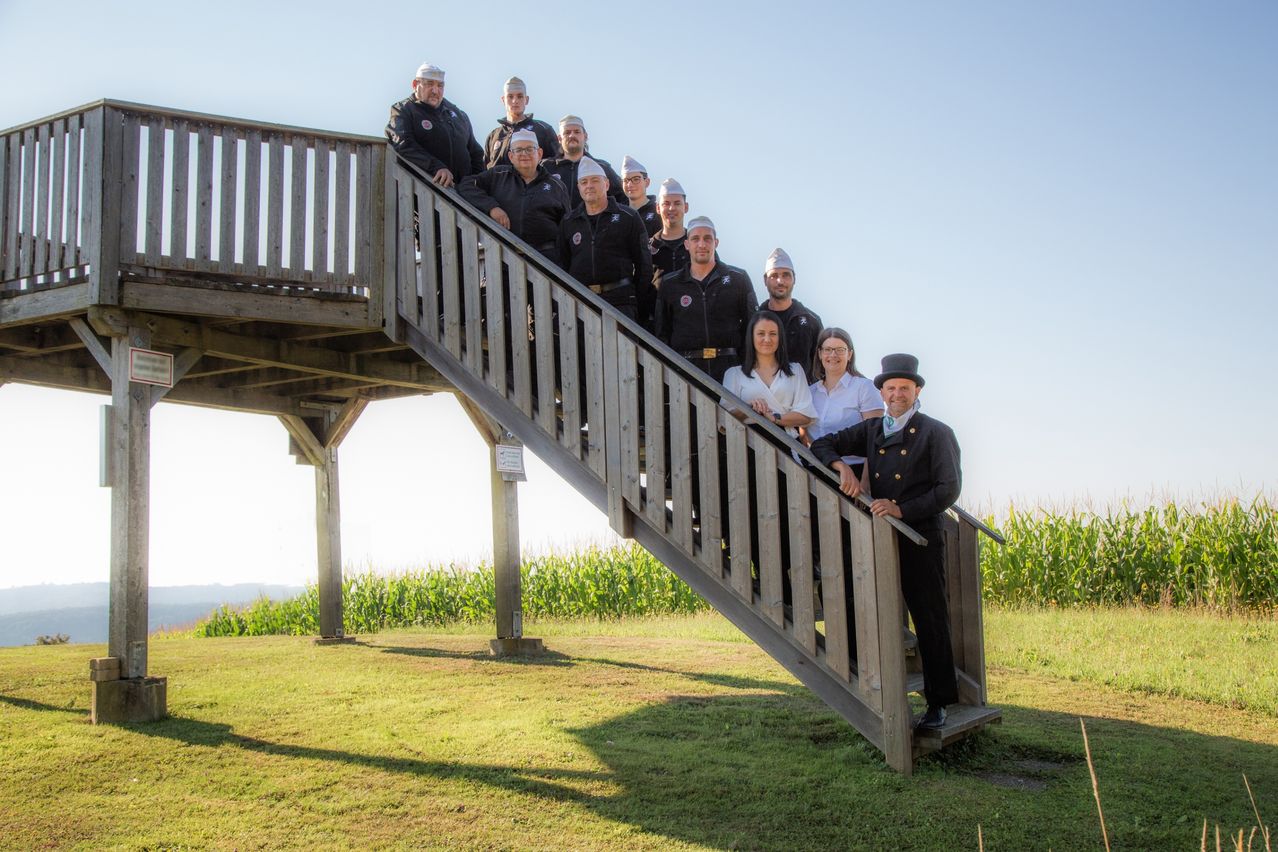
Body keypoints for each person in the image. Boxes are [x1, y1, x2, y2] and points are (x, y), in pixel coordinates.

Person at [809, 353, 961, 731]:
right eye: (890, 388)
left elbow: (949, 489)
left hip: (920, 535)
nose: (897, 394)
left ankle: (939, 701)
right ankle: (874, 687)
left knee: (930, 618)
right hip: (877, 536)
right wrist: (842, 467)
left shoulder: (936, 432)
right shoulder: (874, 429)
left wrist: (901, 508)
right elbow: (822, 444)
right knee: (867, 606)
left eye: (904, 388)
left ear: (917, 391)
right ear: (881, 392)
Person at [654, 216, 758, 383]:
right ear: (687, 245)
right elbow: (662, 333)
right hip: (686, 372)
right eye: (695, 239)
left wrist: (747, 369)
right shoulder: (670, 284)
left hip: (731, 371)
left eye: (707, 239)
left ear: (716, 243)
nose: (701, 244)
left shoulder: (739, 279)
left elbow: (752, 326)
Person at [556, 157, 653, 323]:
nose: (589, 186)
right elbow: (563, 264)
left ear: (606, 184)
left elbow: (644, 265)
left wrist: (634, 300)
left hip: (621, 303)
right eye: (584, 182)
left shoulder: (628, 217)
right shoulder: (569, 222)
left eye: (595, 180)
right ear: (579, 187)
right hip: (581, 302)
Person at [458, 129, 569, 256]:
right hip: (504, 260)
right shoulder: (498, 175)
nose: (524, 154)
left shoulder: (557, 186)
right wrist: (491, 207)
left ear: (539, 153)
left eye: (529, 149)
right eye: (518, 150)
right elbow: (466, 185)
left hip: (546, 261)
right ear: (511, 156)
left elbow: (566, 228)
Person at [385, 62, 484, 187]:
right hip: (424, 191)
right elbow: (404, 143)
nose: (435, 90)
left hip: (463, 195)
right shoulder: (403, 110)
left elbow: (475, 153)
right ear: (415, 85)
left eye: (440, 85)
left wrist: (477, 183)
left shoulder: (458, 114)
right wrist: (436, 167)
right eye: (429, 84)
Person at [804, 328, 884, 480]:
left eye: (840, 350)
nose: (833, 355)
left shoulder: (865, 387)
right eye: (827, 349)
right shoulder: (809, 392)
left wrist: (866, 484)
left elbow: (874, 441)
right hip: (814, 472)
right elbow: (804, 433)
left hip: (854, 473)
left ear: (850, 355)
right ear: (820, 354)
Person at [721, 311, 815, 436]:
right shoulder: (733, 374)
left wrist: (774, 418)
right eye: (761, 333)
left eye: (773, 334)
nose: (767, 339)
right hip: (745, 443)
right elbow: (722, 418)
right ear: (751, 337)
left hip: (785, 442)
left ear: (780, 337)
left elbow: (806, 415)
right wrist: (748, 407)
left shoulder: (795, 370)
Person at [759, 248, 823, 375]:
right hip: (762, 392)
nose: (780, 281)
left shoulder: (811, 321)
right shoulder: (754, 319)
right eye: (774, 276)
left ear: (794, 279)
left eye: (786, 275)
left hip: (803, 392)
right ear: (765, 280)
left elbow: (822, 365)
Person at [542, 115, 625, 209]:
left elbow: (622, 198)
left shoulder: (601, 167)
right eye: (567, 132)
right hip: (554, 222)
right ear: (559, 138)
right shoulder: (546, 167)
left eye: (577, 132)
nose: (572, 135)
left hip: (588, 223)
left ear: (585, 136)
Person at [482, 76, 562, 169]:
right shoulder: (493, 136)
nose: (515, 101)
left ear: (526, 100)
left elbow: (558, 165)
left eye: (520, 96)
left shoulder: (543, 130)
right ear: (503, 100)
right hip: (497, 183)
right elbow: (484, 171)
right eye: (510, 96)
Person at [620, 155, 661, 238]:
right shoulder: (617, 212)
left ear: (647, 182)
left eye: (636, 179)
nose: (630, 184)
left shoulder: (658, 212)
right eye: (626, 180)